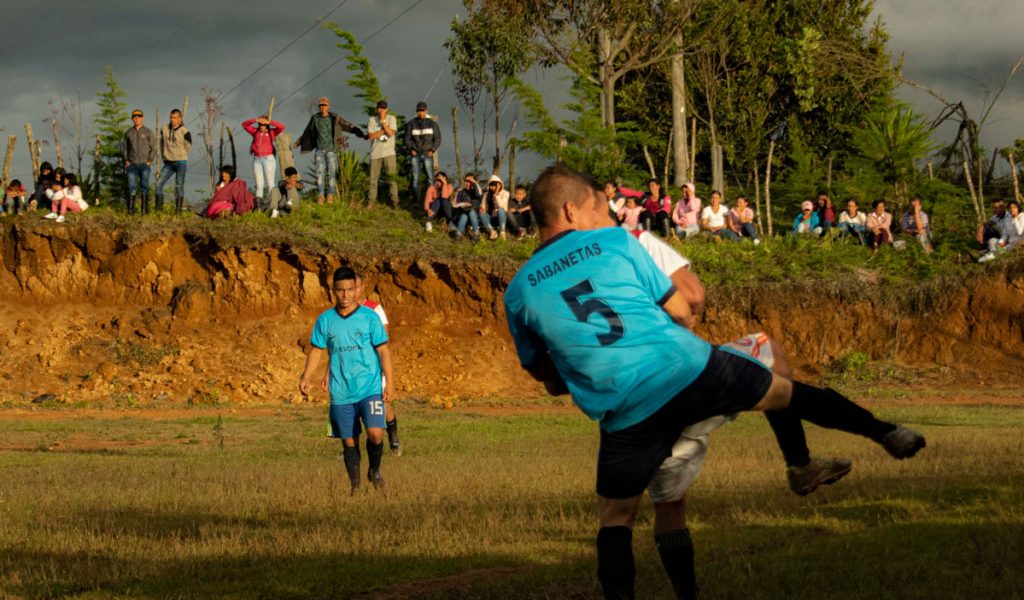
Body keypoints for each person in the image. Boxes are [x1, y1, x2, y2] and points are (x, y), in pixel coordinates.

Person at [504, 165, 924, 600]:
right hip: (687, 369)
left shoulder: (517, 292)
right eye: (598, 209)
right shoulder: (616, 240)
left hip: (626, 410)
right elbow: (685, 308)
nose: (606, 217)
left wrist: (571, 377)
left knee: (615, 518)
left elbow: (542, 371)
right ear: (571, 210)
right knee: (786, 393)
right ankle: (885, 433)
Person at [300, 267, 394, 494]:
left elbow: (383, 351)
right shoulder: (325, 320)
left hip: (369, 387)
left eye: (349, 290)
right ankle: (355, 486)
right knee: (348, 441)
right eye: (340, 290)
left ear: (356, 290)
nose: (345, 295)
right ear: (333, 290)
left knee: (375, 433)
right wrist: (306, 376)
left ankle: (375, 471)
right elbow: (317, 351)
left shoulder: (370, 317)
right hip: (340, 391)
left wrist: (389, 383)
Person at [320, 275, 402, 455]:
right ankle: (350, 445)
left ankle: (392, 434)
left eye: (354, 288)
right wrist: (327, 372)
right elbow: (335, 348)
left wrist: (383, 372)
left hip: (370, 370)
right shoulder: (338, 313)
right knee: (349, 405)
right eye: (346, 288)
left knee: (384, 404)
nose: (349, 292)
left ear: (361, 287)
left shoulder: (373, 310)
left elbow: (383, 343)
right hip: (346, 374)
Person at [296, 97, 365, 204]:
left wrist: (357, 131)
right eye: (321, 105)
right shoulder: (315, 118)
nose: (323, 107)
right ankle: (320, 195)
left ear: (328, 106)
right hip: (319, 150)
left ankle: (330, 195)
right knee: (320, 173)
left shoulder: (334, 117)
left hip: (331, 150)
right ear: (319, 107)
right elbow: (307, 132)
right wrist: (298, 142)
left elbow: (346, 124)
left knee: (331, 173)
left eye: (324, 105)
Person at [156, 108, 192, 214]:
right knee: (158, 184)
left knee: (178, 186)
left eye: (175, 118)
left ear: (180, 119)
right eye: (171, 117)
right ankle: (158, 211)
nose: (172, 120)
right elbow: (161, 143)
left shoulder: (184, 131)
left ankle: (178, 212)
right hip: (168, 162)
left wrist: (181, 154)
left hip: (180, 162)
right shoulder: (164, 129)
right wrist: (164, 156)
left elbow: (188, 146)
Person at [241, 115, 285, 203]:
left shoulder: (271, 133)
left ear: (267, 125)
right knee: (259, 184)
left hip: (268, 159)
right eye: (260, 124)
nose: (262, 126)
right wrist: (256, 119)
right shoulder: (255, 132)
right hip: (257, 160)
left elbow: (282, 127)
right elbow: (244, 125)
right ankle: (259, 205)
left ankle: (272, 203)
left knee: (270, 183)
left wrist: (270, 122)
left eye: (264, 124)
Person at [404, 101, 441, 198]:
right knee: (416, 178)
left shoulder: (432, 124)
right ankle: (416, 199)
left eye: (423, 110)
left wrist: (431, 150)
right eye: (419, 111)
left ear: (426, 111)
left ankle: (432, 199)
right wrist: (411, 149)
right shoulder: (411, 124)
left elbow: (437, 139)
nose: (421, 112)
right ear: (416, 111)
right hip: (415, 153)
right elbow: (407, 138)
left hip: (427, 153)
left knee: (430, 177)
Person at [367, 99, 400, 208]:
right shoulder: (372, 120)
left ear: (387, 109)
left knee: (391, 179)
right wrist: (383, 131)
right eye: (380, 108)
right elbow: (371, 136)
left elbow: (391, 133)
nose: (381, 110)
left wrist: (383, 122)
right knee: (373, 179)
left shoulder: (392, 119)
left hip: (389, 153)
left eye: (384, 108)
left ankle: (395, 202)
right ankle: (371, 201)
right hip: (375, 154)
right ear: (377, 109)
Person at [124, 109, 156, 214]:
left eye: (139, 116)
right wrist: (126, 160)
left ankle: (144, 210)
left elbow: (153, 148)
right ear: (132, 118)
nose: (137, 118)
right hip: (132, 164)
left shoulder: (148, 132)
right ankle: (130, 210)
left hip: (144, 164)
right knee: (131, 186)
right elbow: (124, 148)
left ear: (142, 117)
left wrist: (149, 160)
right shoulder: (128, 133)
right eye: (134, 116)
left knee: (144, 186)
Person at [450, 173, 483, 241]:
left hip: (474, 218)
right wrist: (463, 204)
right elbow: (454, 204)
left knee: (471, 211)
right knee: (464, 215)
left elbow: (480, 195)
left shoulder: (476, 191)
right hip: (462, 215)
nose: (467, 183)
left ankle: (476, 233)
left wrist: (474, 182)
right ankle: (459, 235)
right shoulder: (460, 191)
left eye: (470, 181)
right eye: (466, 181)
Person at [484, 175, 510, 240]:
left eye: (495, 185)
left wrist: (496, 194)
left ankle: (502, 232)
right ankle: (492, 231)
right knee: (481, 212)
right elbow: (482, 205)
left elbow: (501, 205)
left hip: (502, 218)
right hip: (491, 217)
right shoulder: (487, 194)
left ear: (500, 185)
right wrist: (482, 208)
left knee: (501, 210)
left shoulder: (506, 193)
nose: (492, 187)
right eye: (491, 185)